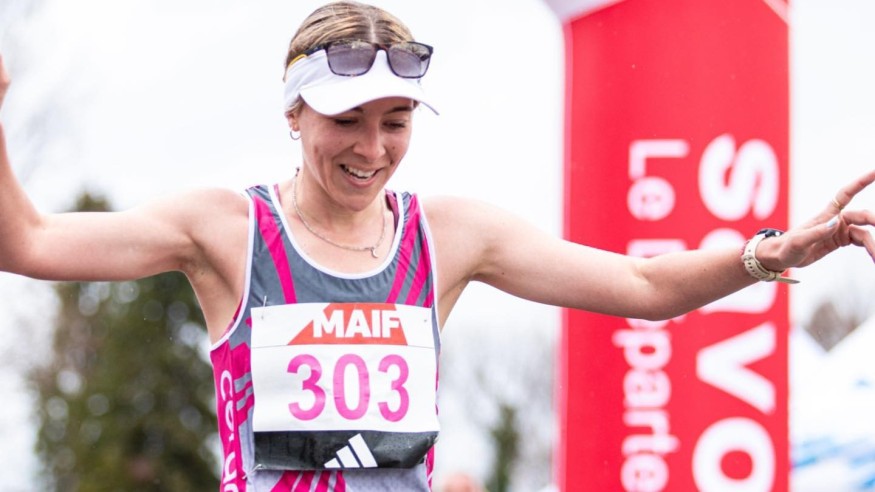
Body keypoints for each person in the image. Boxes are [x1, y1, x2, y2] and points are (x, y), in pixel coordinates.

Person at [1, 1, 873, 490]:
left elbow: (643, 286)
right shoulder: (224, 229)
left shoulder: (447, 235)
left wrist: (767, 254)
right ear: (293, 113)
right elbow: (28, 242)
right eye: (347, 120)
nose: (372, 149)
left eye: (396, 121)